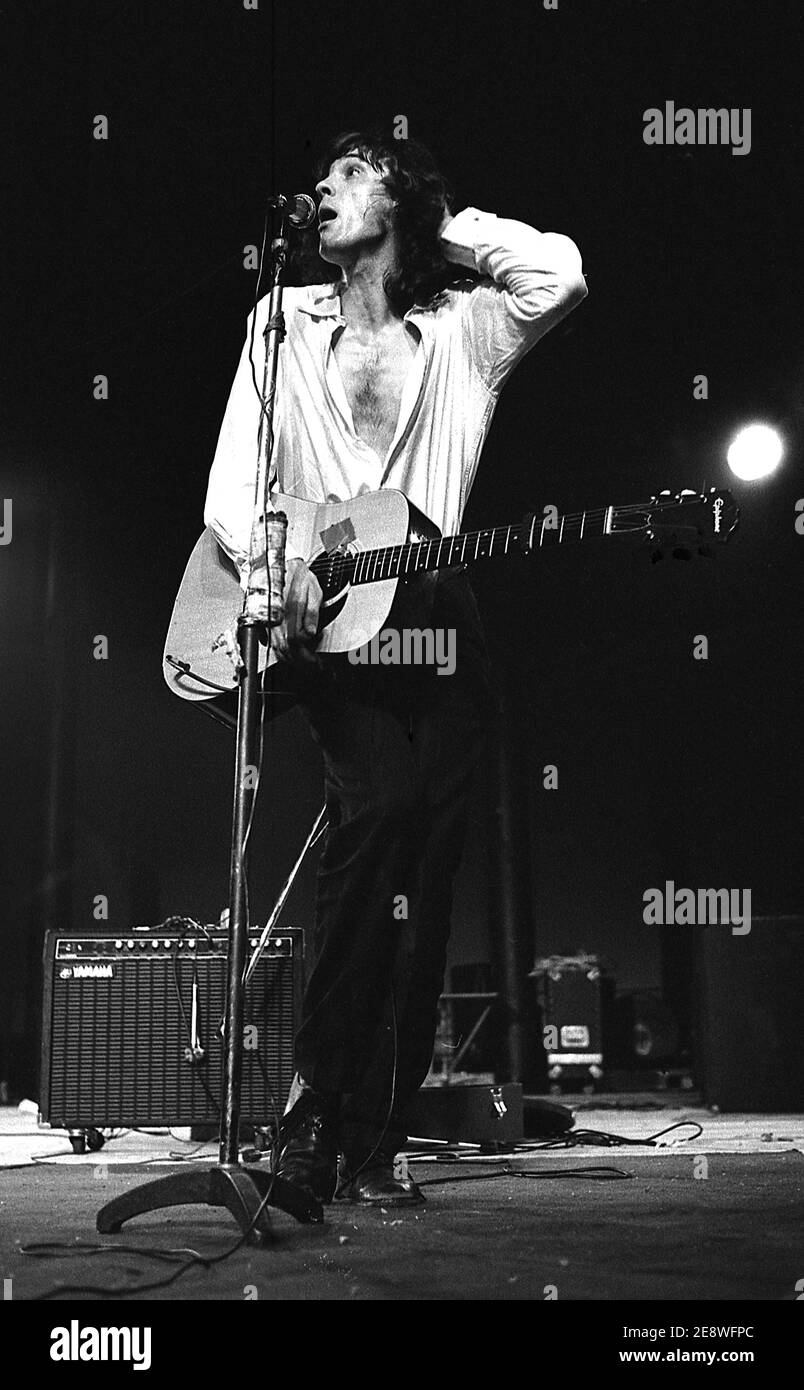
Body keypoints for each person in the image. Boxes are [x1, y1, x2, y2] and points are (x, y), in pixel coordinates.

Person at [204, 128, 587, 1207]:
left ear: (400, 203)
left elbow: (562, 272)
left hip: (437, 613)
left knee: (428, 868)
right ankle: (314, 1110)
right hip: (331, 618)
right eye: (322, 176)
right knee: (376, 811)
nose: (323, 186)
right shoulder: (279, 322)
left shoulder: (463, 329)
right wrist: (274, 569)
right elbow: (236, 480)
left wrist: (433, 227)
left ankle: (374, 1132)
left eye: (352, 172)